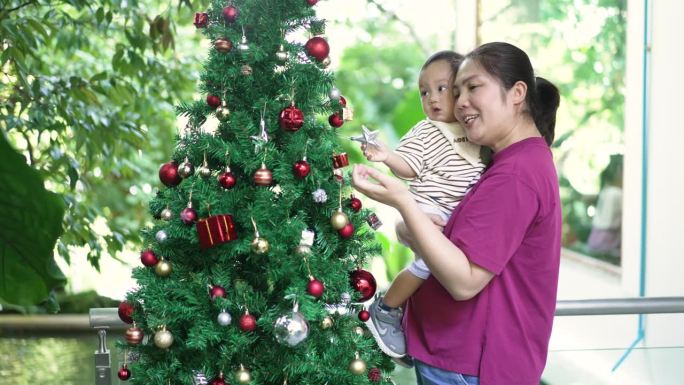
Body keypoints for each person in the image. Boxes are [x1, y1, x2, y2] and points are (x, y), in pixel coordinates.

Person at [352, 42, 562, 385]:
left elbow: (464, 281)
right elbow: (449, 242)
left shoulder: (515, 175)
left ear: (517, 93)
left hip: (470, 366)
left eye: (474, 87)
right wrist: (411, 226)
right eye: (458, 89)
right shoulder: (500, 164)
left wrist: (404, 202)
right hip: (457, 359)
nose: (460, 101)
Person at [358, 50, 487, 366]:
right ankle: (385, 310)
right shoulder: (427, 131)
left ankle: (403, 320)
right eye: (424, 92)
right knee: (428, 265)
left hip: (452, 215)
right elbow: (408, 167)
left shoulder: (474, 132)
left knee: (445, 269)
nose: (432, 98)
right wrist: (386, 156)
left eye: (442, 88)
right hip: (429, 208)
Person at [587, 154, 623, 257]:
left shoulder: (606, 190)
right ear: (619, 172)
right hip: (607, 241)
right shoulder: (617, 194)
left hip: (594, 238)